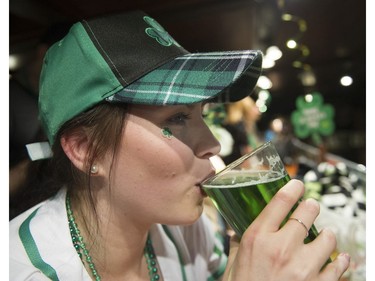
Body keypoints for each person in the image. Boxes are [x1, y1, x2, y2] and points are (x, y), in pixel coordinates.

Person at [9, 10, 350, 281]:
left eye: (202, 114)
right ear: (86, 149)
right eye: (177, 118)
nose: (214, 144)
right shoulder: (20, 269)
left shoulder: (188, 234)